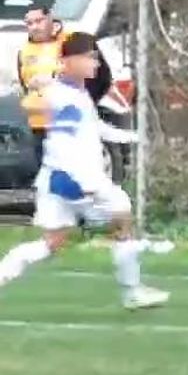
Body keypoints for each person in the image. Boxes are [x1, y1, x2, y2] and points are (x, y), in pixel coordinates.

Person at [0, 33, 170, 308]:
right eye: (89, 57)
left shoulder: (75, 94)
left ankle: (132, 270)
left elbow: (94, 128)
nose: (95, 63)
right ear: (69, 61)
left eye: (95, 58)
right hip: (71, 180)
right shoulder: (66, 97)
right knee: (121, 216)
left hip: (59, 180)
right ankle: (133, 287)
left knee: (52, 243)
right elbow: (63, 142)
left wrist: (132, 137)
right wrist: (86, 184)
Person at [16, 5, 114, 168]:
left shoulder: (74, 41)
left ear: (50, 19)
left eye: (39, 21)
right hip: (41, 125)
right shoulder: (25, 50)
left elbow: (102, 78)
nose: (34, 27)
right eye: (29, 23)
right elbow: (25, 83)